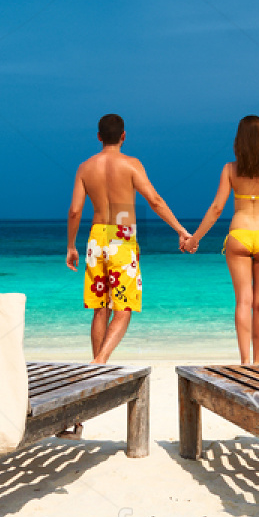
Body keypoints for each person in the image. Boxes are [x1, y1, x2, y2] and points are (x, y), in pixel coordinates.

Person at [67, 114, 192, 373]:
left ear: (99, 136)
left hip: (96, 237)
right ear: (124, 136)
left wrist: (71, 246)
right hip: (122, 237)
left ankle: (96, 367)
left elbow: (75, 211)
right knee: (123, 308)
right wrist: (181, 230)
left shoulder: (85, 168)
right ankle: (101, 361)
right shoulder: (131, 164)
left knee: (100, 308)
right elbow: (155, 201)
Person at [181, 115, 259, 363]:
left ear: (239, 141)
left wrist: (194, 239)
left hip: (239, 235)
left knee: (243, 302)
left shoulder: (229, 169)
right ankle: (258, 362)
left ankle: (244, 361)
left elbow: (216, 209)